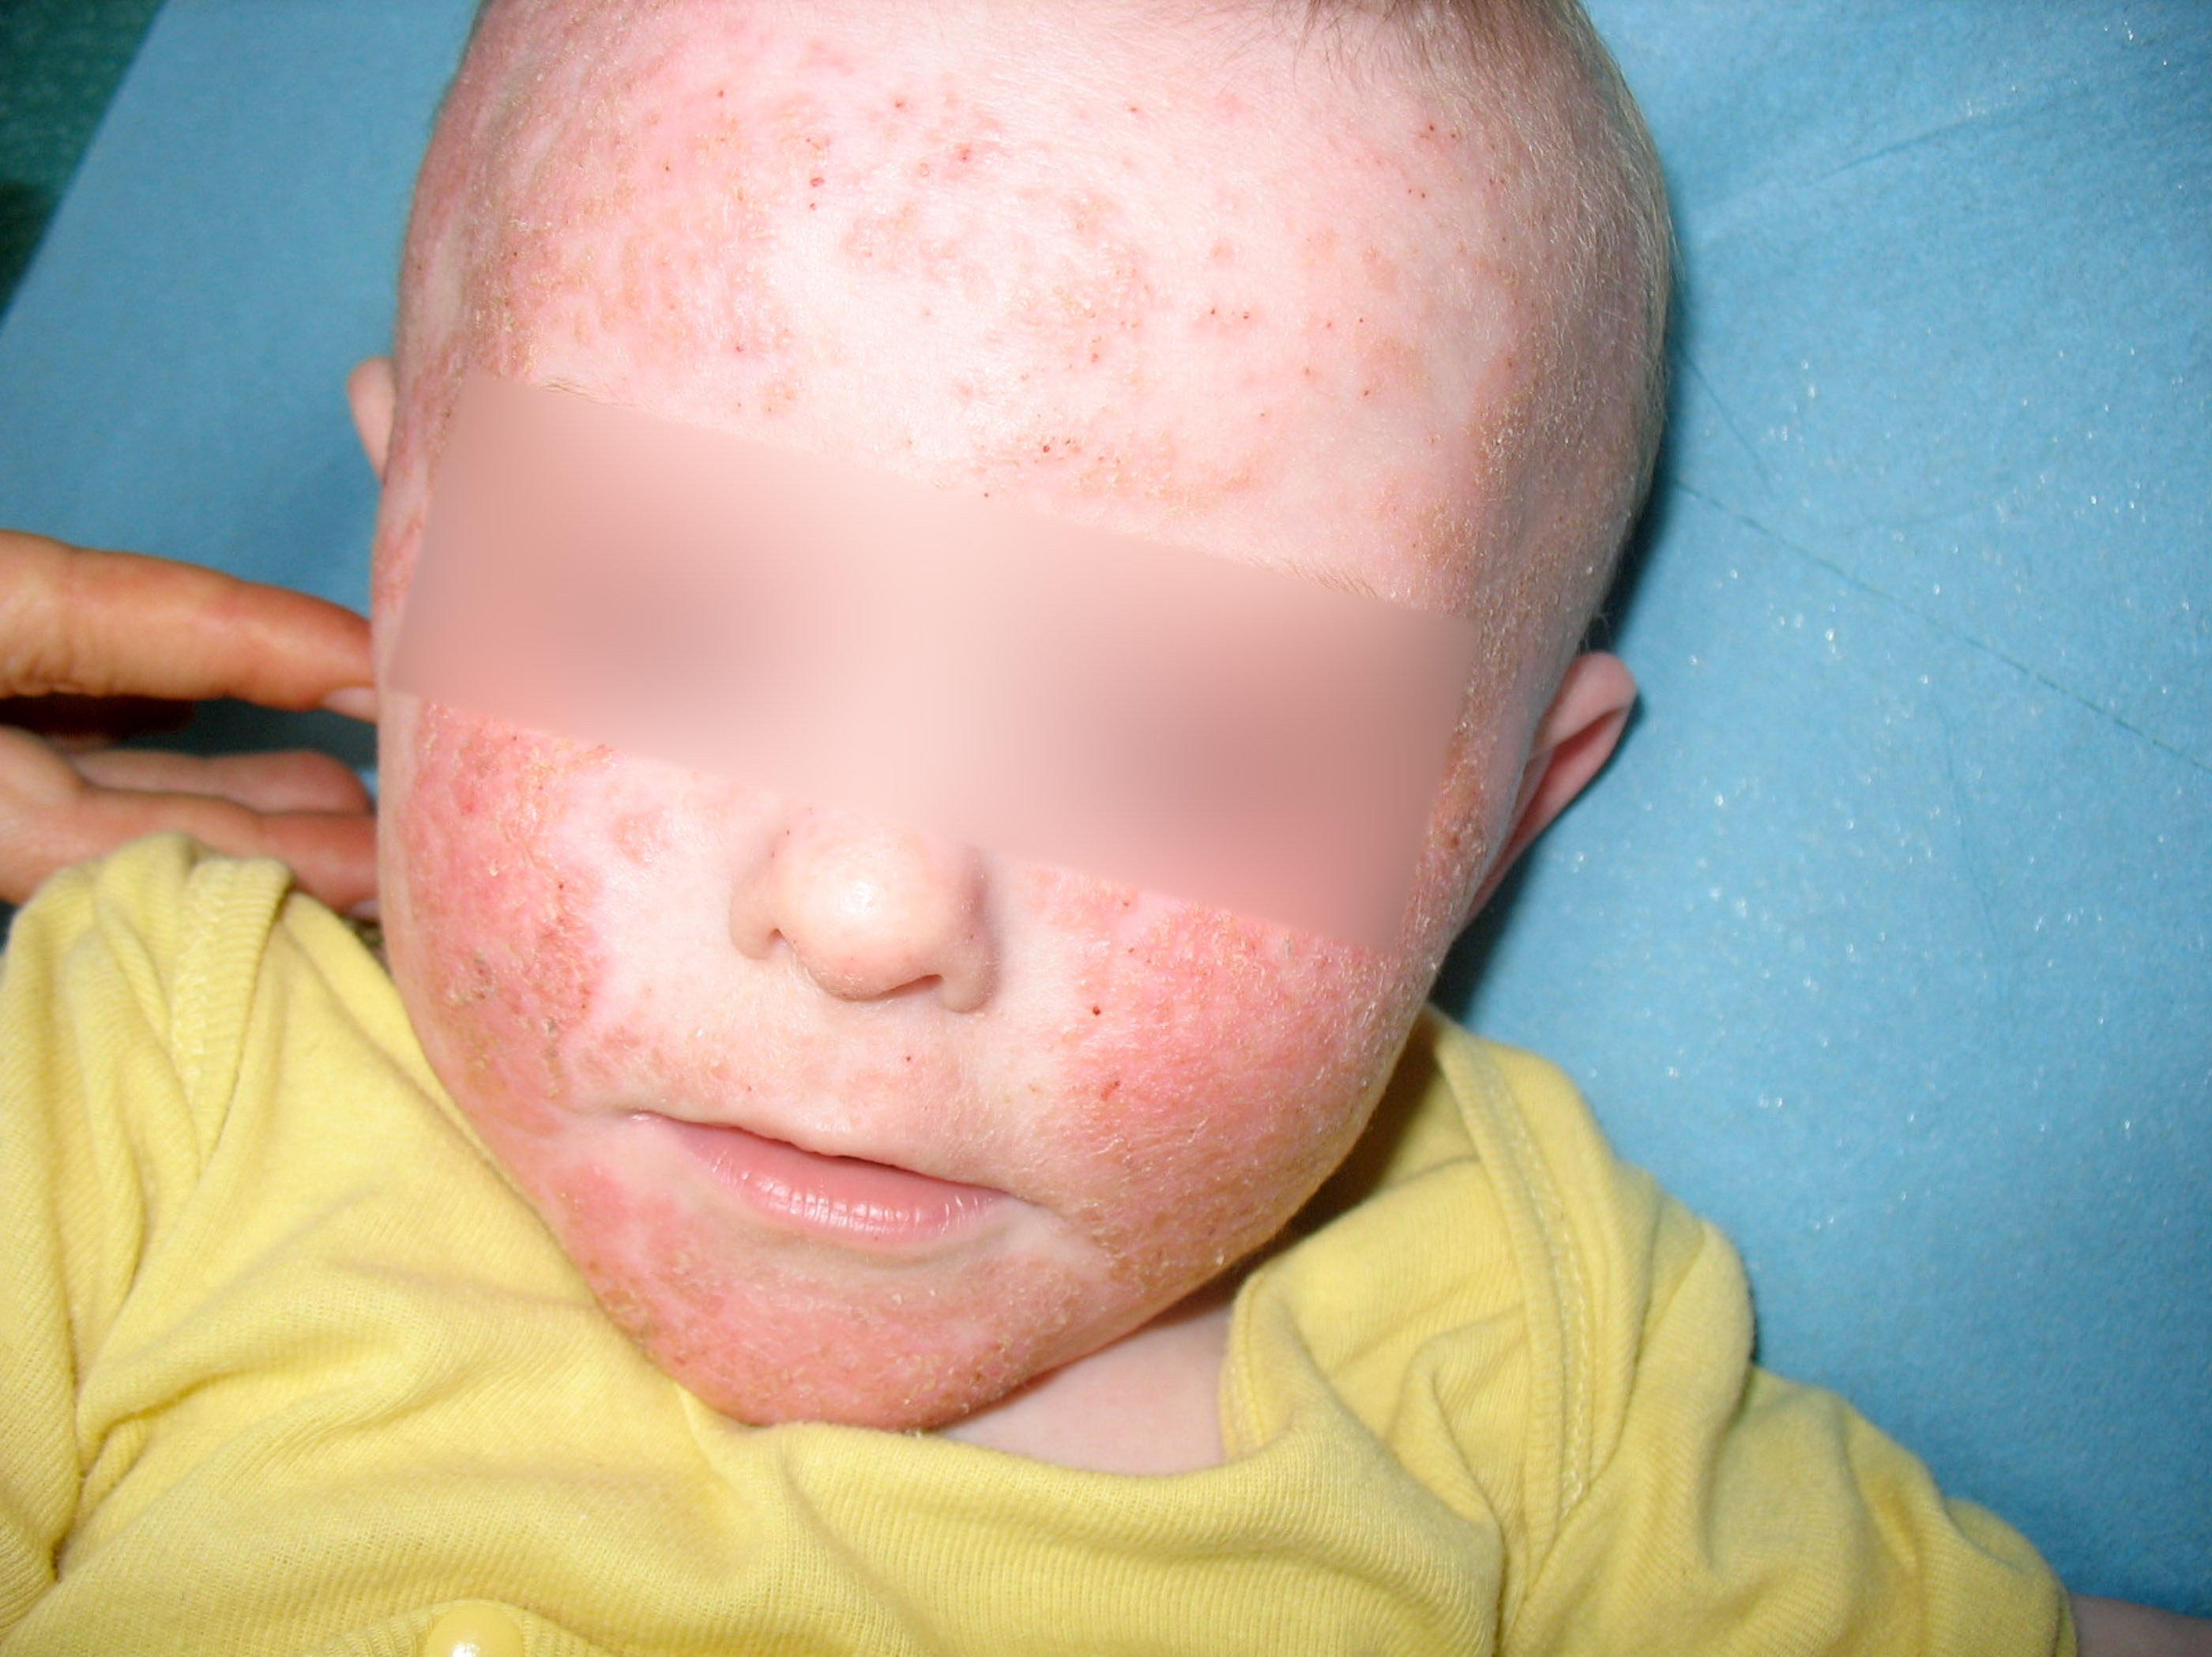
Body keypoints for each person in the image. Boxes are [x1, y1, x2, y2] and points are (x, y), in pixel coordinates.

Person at [1, 2, 2206, 1651]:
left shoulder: (1524, 1362)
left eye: (1177, 745)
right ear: (404, 569)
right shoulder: (145, 1089)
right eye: (665, 626)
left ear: (1500, 821)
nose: (868, 901)